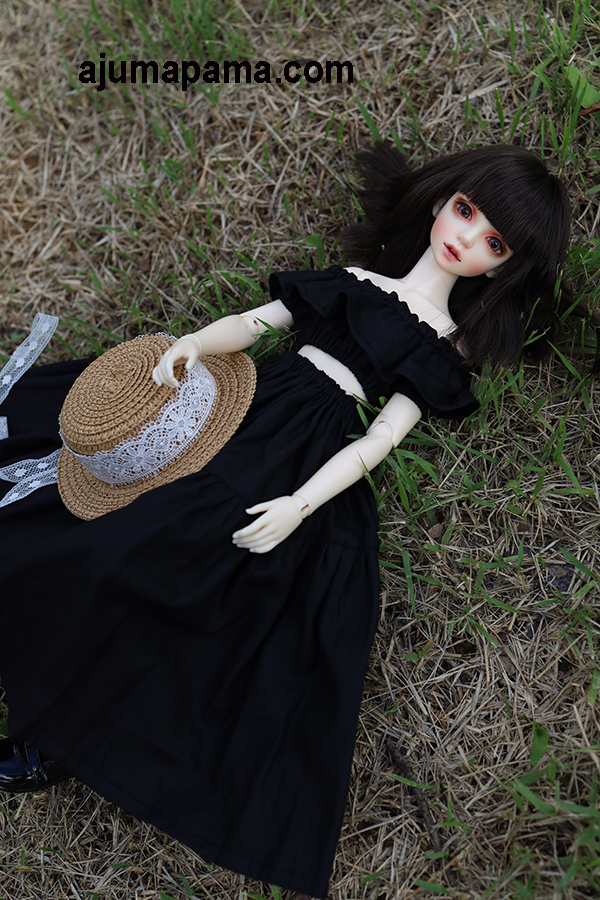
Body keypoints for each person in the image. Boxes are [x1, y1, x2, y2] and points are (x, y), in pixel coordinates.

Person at [0, 142, 572, 898]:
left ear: (501, 269)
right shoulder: (351, 284)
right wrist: (194, 344)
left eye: (492, 242)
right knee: (120, 520)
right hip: (240, 409)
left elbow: (379, 440)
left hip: (305, 459)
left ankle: (60, 735)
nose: (466, 238)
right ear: (440, 201)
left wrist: (303, 502)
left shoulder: (443, 347)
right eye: (466, 211)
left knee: (193, 592)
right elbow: (256, 322)